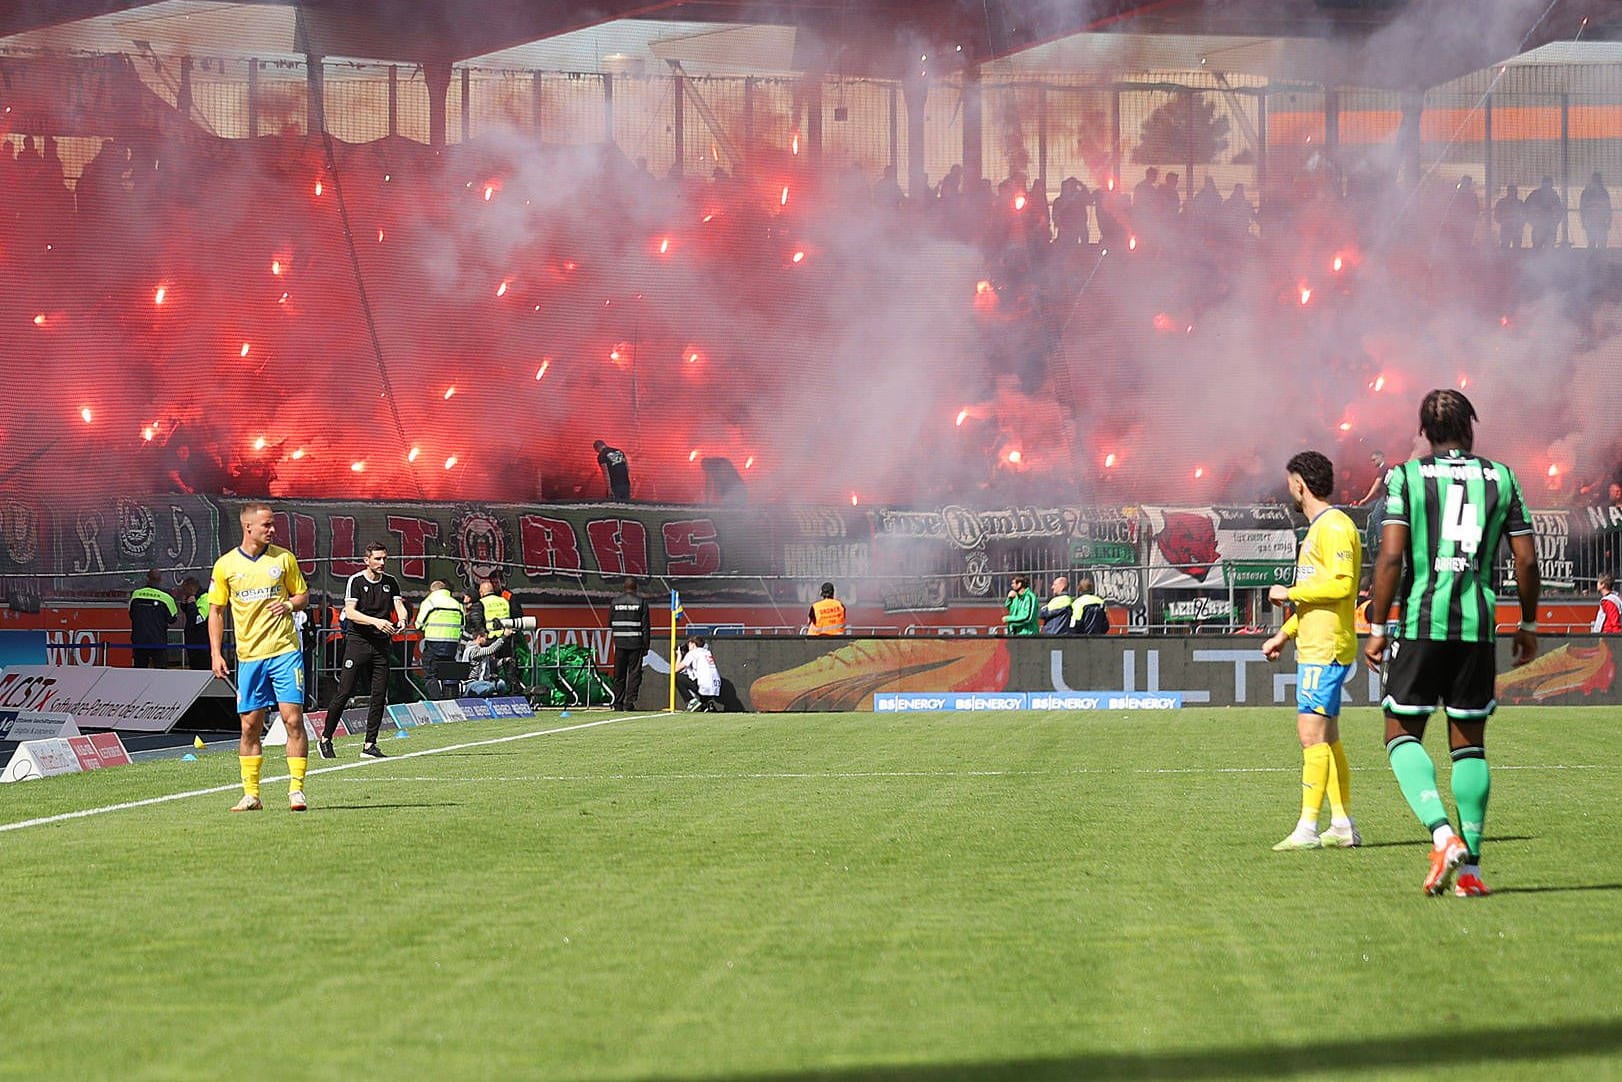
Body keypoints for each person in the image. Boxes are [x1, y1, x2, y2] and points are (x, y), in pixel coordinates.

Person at [1363, 389, 1539, 897]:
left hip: (1422, 624)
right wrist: (1527, 624)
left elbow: (1391, 558)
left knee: (1399, 732)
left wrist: (1377, 626)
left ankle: (1442, 835)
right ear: (1471, 427)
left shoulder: (1407, 477)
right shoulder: (1501, 477)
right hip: (1477, 629)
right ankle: (1472, 874)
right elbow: (1526, 562)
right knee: (1470, 744)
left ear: (1425, 433)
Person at [1261, 451, 1363, 851]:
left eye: (1290, 481)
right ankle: (1341, 824)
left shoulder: (1335, 527)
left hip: (1326, 649)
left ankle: (1307, 828)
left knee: (1310, 735)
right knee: (1328, 737)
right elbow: (1319, 599)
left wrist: (1290, 593)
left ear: (1300, 482)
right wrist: (1285, 633)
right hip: (1315, 644)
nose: (1289, 488)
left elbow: (1341, 585)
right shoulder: (1320, 529)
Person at [208, 502, 311, 812]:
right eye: (266, 524)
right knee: (250, 726)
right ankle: (252, 794)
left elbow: (302, 595)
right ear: (248, 527)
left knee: (293, 720)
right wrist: (216, 653)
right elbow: (216, 610)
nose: (272, 529)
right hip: (250, 657)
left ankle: (296, 791)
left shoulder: (283, 559)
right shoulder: (226, 565)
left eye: (273, 524)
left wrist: (291, 606)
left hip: (285, 652)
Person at [317, 541, 408, 760]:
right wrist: (376, 622)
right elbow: (351, 612)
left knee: (379, 694)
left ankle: (369, 744)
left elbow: (398, 605)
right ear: (366, 560)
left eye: (384, 558)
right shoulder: (356, 581)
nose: (382, 562)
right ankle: (325, 739)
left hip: (381, 644)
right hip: (358, 642)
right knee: (345, 691)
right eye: (377, 558)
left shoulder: (391, 582)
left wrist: (403, 618)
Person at [415, 580, 465, 699]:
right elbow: (463, 625)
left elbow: (419, 624)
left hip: (434, 643)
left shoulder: (430, 602)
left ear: (433, 590)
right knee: (449, 674)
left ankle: (437, 701)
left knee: (430, 674)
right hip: (452, 645)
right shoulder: (457, 604)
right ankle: (451, 700)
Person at [609, 577, 651, 710]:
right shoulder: (641, 602)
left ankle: (617, 703)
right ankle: (629, 703)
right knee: (634, 674)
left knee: (619, 675)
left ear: (624, 587)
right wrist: (646, 646)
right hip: (636, 644)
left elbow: (610, 622)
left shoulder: (615, 602)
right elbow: (645, 626)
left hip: (620, 643)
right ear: (636, 587)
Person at [129, 569, 178, 668]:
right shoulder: (166, 598)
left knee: (139, 671)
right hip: (158, 641)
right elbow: (173, 619)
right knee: (161, 672)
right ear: (160, 580)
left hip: (139, 640)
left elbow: (131, 614)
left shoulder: (135, 595)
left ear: (147, 578)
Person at [674, 634, 722, 711]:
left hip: (704, 686)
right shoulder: (707, 652)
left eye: (688, 644)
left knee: (676, 677)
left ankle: (691, 701)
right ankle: (707, 705)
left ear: (692, 644)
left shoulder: (693, 653)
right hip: (715, 688)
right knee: (699, 682)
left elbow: (676, 669)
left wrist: (679, 655)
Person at [176, 576, 211, 671]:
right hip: (194, 643)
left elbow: (197, 619)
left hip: (202, 645)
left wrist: (191, 605)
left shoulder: (205, 599)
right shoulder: (196, 598)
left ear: (191, 590)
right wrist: (184, 605)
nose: (184, 593)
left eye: (185, 591)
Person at [1579, 172, 1611, 249]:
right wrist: (1609, 221)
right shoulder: (1603, 192)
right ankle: (1597, 259)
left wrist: (1583, 221)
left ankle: (1593, 259)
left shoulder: (1587, 192)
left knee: (1595, 243)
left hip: (1596, 221)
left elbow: (1582, 208)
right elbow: (1608, 208)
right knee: (1598, 243)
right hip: (1597, 221)